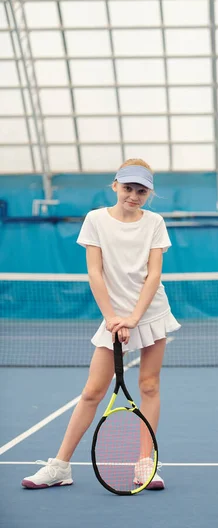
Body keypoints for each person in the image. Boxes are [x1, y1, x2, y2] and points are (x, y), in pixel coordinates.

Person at [22, 159, 180, 490]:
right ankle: (60, 466)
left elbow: (154, 275)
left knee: (149, 386)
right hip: (112, 316)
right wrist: (112, 318)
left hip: (150, 314)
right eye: (128, 188)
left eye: (141, 190)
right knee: (92, 391)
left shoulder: (155, 222)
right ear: (115, 186)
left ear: (148, 193)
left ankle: (144, 464)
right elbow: (95, 272)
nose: (133, 196)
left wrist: (134, 318)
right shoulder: (95, 220)